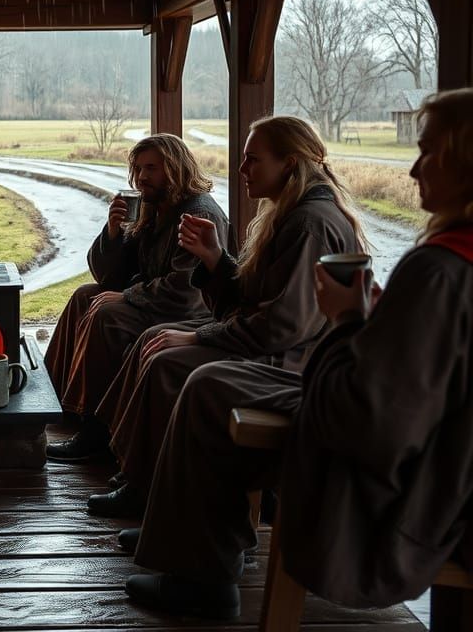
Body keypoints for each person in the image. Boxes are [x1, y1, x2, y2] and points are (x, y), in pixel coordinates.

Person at [121, 89, 473, 619]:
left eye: (427, 151)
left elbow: (365, 407)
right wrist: (217, 260)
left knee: (200, 381)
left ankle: (204, 572)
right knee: (197, 377)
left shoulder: (333, 231)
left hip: (351, 428)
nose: (414, 168)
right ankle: (179, 534)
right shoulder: (295, 217)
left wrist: (348, 320)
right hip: (369, 411)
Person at [90, 115, 365, 518]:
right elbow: (253, 299)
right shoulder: (289, 214)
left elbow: (280, 326)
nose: (241, 170)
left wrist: (200, 337)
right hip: (270, 345)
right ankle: (138, 473)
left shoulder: (310, 224)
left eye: (252, 160)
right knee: (156, 342)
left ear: (289, 164)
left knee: (167, 360)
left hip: (292, 362)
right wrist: (215, 259)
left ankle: (145, 487)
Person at [44, 134, 232, 461]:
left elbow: (186, 291)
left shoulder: (197, 213)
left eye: (151, 168)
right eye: (138, 168)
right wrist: (113, 232)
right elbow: (109, 277)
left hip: (191, 311)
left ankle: (97, 432)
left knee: (107, 315)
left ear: (175, 168)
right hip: (157, 300)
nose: (142, 177)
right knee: (84, 296)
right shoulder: (156, 208)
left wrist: (126, 298)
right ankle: (59, 403)